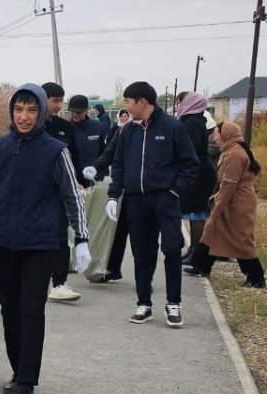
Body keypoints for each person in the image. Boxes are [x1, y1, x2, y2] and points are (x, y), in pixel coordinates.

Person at [0, 84, 89, 394]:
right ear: (11, 111)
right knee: (10, 308)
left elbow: (72, 196)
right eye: (19, 109)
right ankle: (18, 372)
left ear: (43, 112)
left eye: (32, 110)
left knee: (32, 310)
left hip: (40, 243)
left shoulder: (54, 150)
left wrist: (82, 238)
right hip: (3, 240)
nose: (25, 116)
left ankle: (28, 384)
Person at [106, 82, 199, 327]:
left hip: (165, 199)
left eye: (128, 101)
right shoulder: (127, 131)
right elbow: (118, 164)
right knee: (141, 253)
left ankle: (173, 303)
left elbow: (191, 164)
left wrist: (174, 190)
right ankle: (144, 303)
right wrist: (114, 195)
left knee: (170, 249)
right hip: (136, 200)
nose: (125, 106)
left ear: (142, 102)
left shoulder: (172, 128)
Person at [185, 120, 265, 287]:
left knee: (241, 239)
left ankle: (256, 277)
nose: (215, 138)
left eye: (217, 134)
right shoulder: (231, 150)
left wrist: (217, 208)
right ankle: (201, 265)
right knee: (212, 231)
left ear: (226, 134)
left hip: (238, 203)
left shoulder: (235, 154)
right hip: (233, 200)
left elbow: (229, 185)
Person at [42, 82, 87, 302]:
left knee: (60, 236)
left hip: (59, 192)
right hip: (35, 192)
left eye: (61, 100)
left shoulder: (65, 128)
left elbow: (75, 157)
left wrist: (80, 181)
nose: (58, 105)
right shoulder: (32, 125)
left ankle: (59, 283)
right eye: (54, 100)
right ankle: (37, 278)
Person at [86, 108, 132, 283]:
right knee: (118, 229)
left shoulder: (156, 131)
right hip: (123, 188)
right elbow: (109, 152)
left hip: (147, 192)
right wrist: (96, 167)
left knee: (142, 236)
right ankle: (112, 268)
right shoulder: (123, 131)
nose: (126, 116)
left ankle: (145, 278)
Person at [174, 92, 218, 264]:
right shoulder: (195, 120)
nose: (179, 105)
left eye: (181, 101)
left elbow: (189, 148)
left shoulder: (191, 122)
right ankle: (193, 250)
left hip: (198, 171)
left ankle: (195, 251)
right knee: (193, 211)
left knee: (196, 212)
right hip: (199, 168)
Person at [69, 94, 110, 177]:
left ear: (86, 110)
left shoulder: (100, 128)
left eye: (78, 112)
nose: (75, 114)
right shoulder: (64, 129)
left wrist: (97, 169)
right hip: (73, 178)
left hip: (96, 176)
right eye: (72, 111)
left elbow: (107, 153)